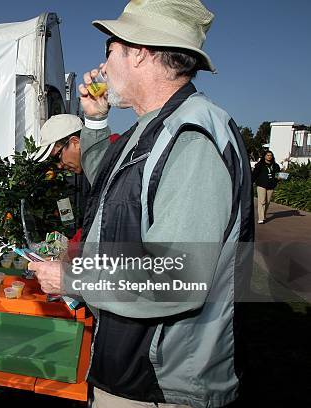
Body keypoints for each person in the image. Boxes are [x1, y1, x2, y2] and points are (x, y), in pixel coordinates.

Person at [28, 1, 254, 407]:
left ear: (140, 52)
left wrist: (71, 280)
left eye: (109, 50)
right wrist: (96, 119)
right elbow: (113, 187)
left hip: (162, 385)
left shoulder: (191, 136)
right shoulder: (155, 126)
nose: (103, 64)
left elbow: (177, 278)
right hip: (133, 369)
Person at [36, 113, 114, 187]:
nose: (59, 166)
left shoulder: (113, 169)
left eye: (57, 157)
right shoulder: (102, 173)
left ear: (75, 142)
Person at [252, 150, 280, 224]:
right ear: (264, 156)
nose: (269, 157)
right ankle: (261, 218)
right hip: (261, 185)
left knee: (267, 202)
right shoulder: (259, 165)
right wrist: (250, 182)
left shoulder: (275, 166)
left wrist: (278, 179)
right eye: (268, 155)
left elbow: (277, 175)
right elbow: (254, 175)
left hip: (271, 186)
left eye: (270, 155)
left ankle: (263, 215)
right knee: (262, 201)